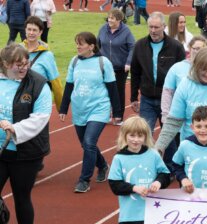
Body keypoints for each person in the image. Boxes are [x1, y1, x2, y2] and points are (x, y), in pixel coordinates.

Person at [0, 43, 52, 224]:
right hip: (1, 149)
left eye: (26, 63)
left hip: (27, 152)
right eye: (17, 65)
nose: (23, 68)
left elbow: (41, 117)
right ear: (5, 65)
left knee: (22, 196)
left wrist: (16, 129)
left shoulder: (38, 84)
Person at [59, 32, 121, 193]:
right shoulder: (74, 62)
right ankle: (102, 165)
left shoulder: (103, 62)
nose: (77, 46)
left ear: (91, 46)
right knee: (86, 144)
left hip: (99, 108)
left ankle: (84, 180)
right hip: (79, 109)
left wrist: (117, 112)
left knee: (89, 142)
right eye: (76, 43)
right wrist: (63, 108)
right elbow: (69, 86)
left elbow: (112, 88)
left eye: (81, 44)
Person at [130, 12, 185, 170]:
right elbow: (135, 71)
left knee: (170, 135)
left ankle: (170, 167)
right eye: (150, 27)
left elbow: (183, 73)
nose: (153, 30)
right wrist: (134, 96)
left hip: (169, 100)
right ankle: (145, 164)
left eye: (156, 27)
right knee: (143, 133)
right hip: (147, 98)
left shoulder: (175, 47)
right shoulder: (140, 45)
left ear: (164, 27)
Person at [97, 8, 135, 124]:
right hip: (104, 67)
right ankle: (105, 114)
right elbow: (97, 45)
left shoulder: (126, 31)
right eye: (109, 17)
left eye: (112, 18)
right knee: (103, 91)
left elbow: (132, 47)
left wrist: (128, 62)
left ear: (119, 19)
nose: (109, 20)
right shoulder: (103, 29)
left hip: (120, 67)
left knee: (118, 91)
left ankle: (118, 116)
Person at [161, 36, 207, 124]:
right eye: (195, 48)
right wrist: (165, 114)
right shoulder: (177, 68)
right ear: (190, 49)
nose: (198, 52)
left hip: (204, 122)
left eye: (201, 49)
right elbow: (167, 92)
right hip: (181, 121)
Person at [22, 16, 63, 112]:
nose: (31, 33)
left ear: (40, 32)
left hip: (39, 102)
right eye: (29, 29)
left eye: (35, 30)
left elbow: (56, 83)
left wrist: (61, 107)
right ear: (25, 30)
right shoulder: (17, 50)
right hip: (20, 102)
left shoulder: (47, 55)